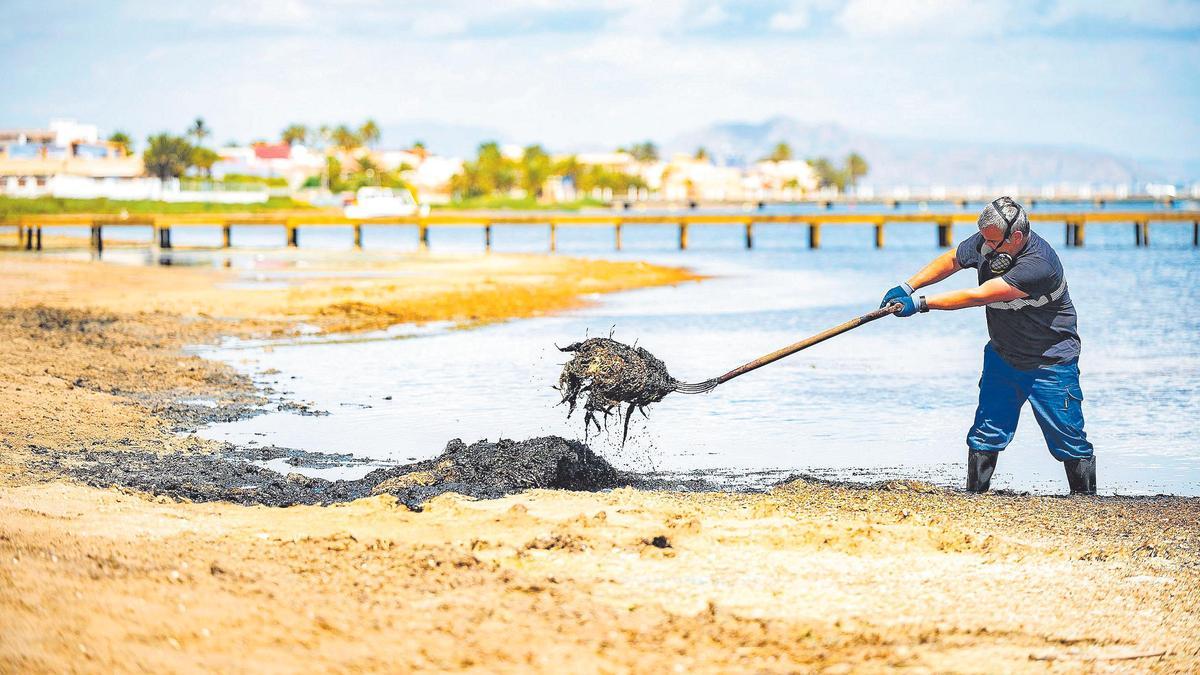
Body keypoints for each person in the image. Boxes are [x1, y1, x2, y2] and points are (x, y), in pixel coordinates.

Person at [879, 196, 1095, 495]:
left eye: (993, 242)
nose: (987, 247)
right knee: (985, 434)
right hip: (1003, 356)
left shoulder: (1039, 264)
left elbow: (980, 295)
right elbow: (953, 259)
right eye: (985, 239)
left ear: (1016, 236)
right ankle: (974, 498)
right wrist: (908, 286)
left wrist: (920, 303)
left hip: (1051, 361)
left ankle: (1086, 501)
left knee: (1068, 439)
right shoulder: (988, 238)